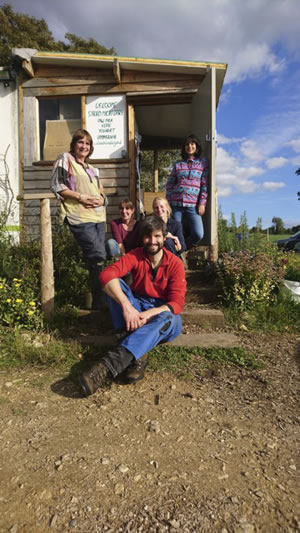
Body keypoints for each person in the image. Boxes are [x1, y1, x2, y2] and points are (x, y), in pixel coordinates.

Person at [79, 215, 186, 397]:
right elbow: (106, 275)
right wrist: (127, 306)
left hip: (162, 313)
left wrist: (150, 313)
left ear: (164, 237)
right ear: (142, 238)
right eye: (148, 236)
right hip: (137, 307)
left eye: (157, 236)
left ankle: (107, 366)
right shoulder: (136, 255)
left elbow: (177, 303)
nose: (152, 241)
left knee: (169, 318)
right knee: (115, 285)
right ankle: (138, 355)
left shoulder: (175, 263)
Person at [51, 128, 107, 308]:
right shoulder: (65, 159)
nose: (84, 146)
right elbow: (57, 186)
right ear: (74, 144)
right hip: (79, 216)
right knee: (96, 254)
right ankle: (101, 299)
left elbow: (101, 192)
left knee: (99, 257)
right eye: (80, 142)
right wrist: (80, 197)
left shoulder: (92, 169)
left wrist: (103, 200)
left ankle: (97, 300)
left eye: (87, 143)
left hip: (98, 217)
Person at [166, 134, 208, 247]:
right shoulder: (178, 164)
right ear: (184, 148)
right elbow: (170, 184)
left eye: (192, 144)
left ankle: (184, 247)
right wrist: (168, 202)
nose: (189, 146)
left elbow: (204, 185)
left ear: (196, 147)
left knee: (198, 234)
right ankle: (177, 253)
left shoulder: (202, 163)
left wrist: (202, 203)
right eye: (187, 144)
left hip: (193, 206)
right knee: (176, 232)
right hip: (176, 204)